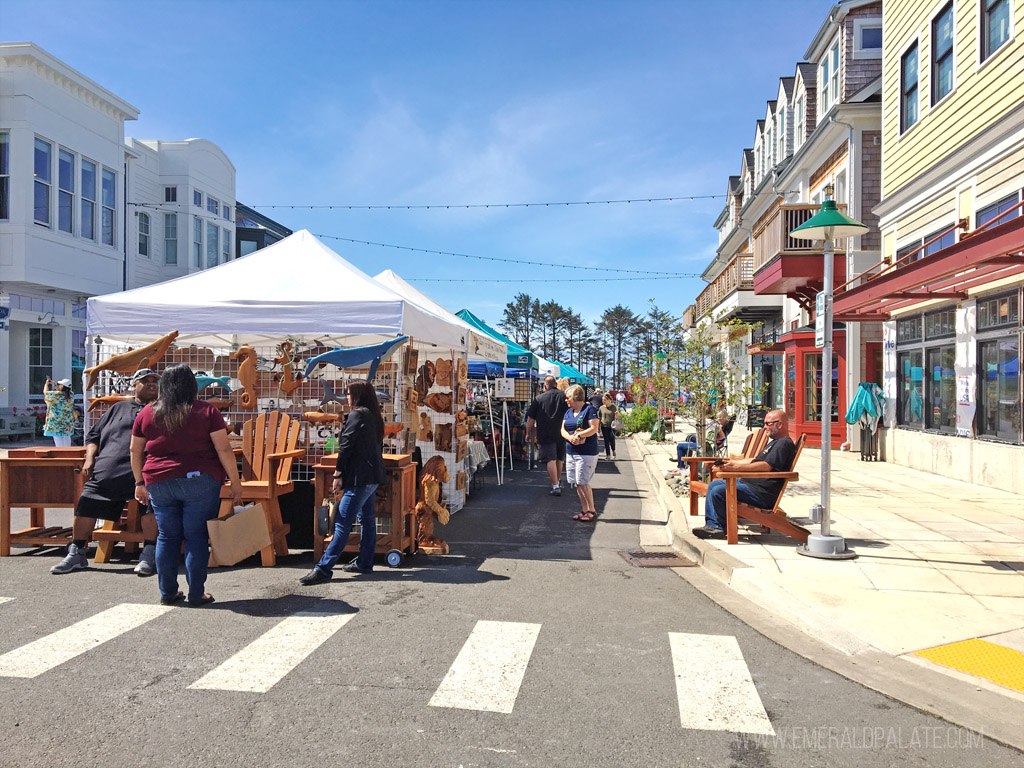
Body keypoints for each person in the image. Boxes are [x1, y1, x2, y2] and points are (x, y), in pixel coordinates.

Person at [130, 365, 242, 606]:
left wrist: (139, 482)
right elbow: (223, 448)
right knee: (196, 537)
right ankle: (196, 593)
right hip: (200, 481)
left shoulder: (147, 413)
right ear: (192, 385)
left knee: (167, 537)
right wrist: (235, 481)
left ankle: (168, 592)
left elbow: (135, 450)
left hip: (158, 481)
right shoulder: (206, 411)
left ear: (164, 386)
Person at [51, 369, 161, 575]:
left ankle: (149, 552)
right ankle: (77, 551)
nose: (152, 384)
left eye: (155, 381)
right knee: (86, 502)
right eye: (146, 381)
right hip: (108, 470)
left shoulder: (162, 409)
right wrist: (90, 458)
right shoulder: (117, 408)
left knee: (151, 505)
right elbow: (93, 436)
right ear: (134, 385)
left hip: (146, 473)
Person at [300, 380, 386, 585]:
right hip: (372, 477)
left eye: (348, 394)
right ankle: (364, 562)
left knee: (341, 522)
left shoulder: (357, 415)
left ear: (357, 395)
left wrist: (337, 475)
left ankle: (323, 568)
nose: (346, 397)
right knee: (367, 520)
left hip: (359, 478)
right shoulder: (373, 415)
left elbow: (345, 447)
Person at [692, 409, 796, 539]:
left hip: (760, 493)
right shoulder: (775, 442)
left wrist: (736, 467)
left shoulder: (783, 444)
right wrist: (731, 462)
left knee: (718, 490)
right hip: (751, 486)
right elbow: (755, 460)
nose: (764, 427)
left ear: (780, 424)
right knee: (714, 485)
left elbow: (765, 466)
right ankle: (714, 525)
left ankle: (717, 527)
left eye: (768, 424)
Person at [561, 385, 601, 522]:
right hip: (571, 451)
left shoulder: (589, 410)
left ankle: (591, 509)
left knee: (583, 481)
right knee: (577, 482)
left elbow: (594, 428)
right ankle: (584, 509)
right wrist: (569, 437)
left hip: (586, 452)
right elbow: (562, 429)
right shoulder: (568, 412)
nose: (566, 401)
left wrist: (579, 435)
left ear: (575, 397)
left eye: (568, 398)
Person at [526, 375, 569, 496]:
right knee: (560, 458)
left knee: (551, 459)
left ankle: (555, 485)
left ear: (545, 386)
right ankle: (558, 481)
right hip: (562, 431)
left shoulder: (539, 399)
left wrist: (528, 433)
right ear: (556, 384)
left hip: (545, 432)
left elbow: (530, 419)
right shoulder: (564, 396)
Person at [43, 377, 77, 447]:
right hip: (67, 421)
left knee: (58, 440)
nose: (57, 385)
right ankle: (68, 455)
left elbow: (45, 393)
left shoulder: (56, 395)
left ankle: (61, 455)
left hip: (56, 422)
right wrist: (55, 385)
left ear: (62, 386)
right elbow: (62, 392)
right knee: (67, 438)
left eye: (59, 384)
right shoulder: (71, 395)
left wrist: (46, 384)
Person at [597, 393, 618, 460]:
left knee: (612, 439)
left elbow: (616, 418)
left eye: (605, 400)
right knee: (606, 440)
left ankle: (613, 450)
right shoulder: (601, 408)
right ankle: (608, 455)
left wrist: (617, 415)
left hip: (611, 426)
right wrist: (598, 427)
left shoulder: (613, 407)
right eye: (603, 400)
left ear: (609, 400)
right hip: (604, 426)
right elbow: (599, 418)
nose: (603, 401)